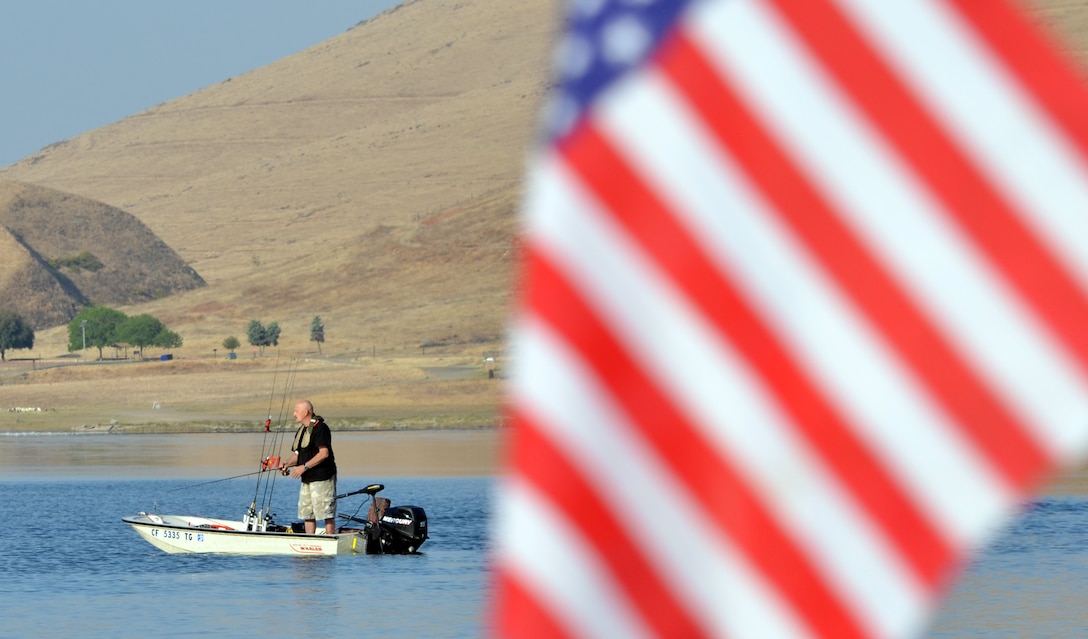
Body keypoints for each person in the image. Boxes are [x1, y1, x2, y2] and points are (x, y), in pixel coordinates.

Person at [280, 400, 338, 534]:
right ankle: (310, 542)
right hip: (307, 478)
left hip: (322, 477)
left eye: (296, 411)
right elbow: (299, 455)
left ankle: (329, 540)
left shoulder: (321, 428)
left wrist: (304, 467)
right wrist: (286, 464)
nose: (294, 414)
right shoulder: (302, 430)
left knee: (326, 513)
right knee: (307, 513)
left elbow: (324, 453)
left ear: (306, 412)